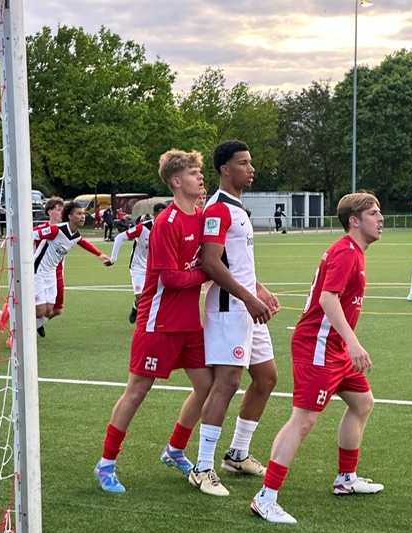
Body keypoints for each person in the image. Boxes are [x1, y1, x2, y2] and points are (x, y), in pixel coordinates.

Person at [251, 192, 384, 524]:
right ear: (354, 221)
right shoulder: (346, 252)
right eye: (373, 213)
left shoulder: (354, 252)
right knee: (304, 420)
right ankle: (265, 497)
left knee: (362, 403)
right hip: (318, 346)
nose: (380, 218)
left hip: (334, 347)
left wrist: (346, 344)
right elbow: (328, 298)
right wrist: (353, 343)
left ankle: (346, 478)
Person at [94, 149, 212, 493]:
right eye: (193, 173)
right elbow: (171, 279)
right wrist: (207, 273)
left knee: (207, 386)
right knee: (137, 391)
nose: (200, 177)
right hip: (158, 322)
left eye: (199, 171)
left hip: (189, 324)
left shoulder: (201, 217)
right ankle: (106, 463)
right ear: (176, 182)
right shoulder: (167, 223)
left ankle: (174, 449)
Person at [188, 140, 279, 497]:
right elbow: (210, 263)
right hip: (229, 308)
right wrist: (249, 297)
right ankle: (202, 467)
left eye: (250, 162)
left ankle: (237, 454)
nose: (251, 168)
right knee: (226, 382)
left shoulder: (238, 208)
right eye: (243, 163)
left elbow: (235, 262)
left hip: (245, 305)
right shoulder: (217, 209)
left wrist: (259, 288)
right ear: (225, 169)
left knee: (266, 377)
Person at [31, 201, 110, 336]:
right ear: (70, 216)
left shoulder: (75, 235)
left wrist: (100, 254)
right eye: (79, 214)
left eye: (83, 214)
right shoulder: (57, 230)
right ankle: (17, 329)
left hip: (51, 273)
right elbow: (32, 234)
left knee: (50, 311)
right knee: (40, 311)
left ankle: (28, 330)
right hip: (38, 270)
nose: (83, 216)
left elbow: (83, 242)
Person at [107, 201, 167, 323]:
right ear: (154, 214)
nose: (163, 217)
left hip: (155, 267)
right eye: (160, 214)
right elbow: (120, 237)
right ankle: (136, 308)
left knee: (159, 297)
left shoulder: (168, 228)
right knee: (141, 297)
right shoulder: (143, 228)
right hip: (138, 267)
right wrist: (113, 258)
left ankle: (151, 322)